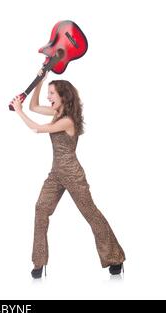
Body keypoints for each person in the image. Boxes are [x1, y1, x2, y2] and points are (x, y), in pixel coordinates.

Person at [11, 71, 125, 278]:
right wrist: (40, 82)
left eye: (51, 93)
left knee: (91, 214)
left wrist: (18, 111)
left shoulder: (67, 120)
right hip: (56, 174)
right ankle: (39, 263)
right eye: (48, 93)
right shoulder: (57, 113)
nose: (48, 97)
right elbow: (33, 107)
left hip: (72, 174)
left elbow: (37, 128)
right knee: (41, 210)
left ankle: (115, 258)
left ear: (63, 96)